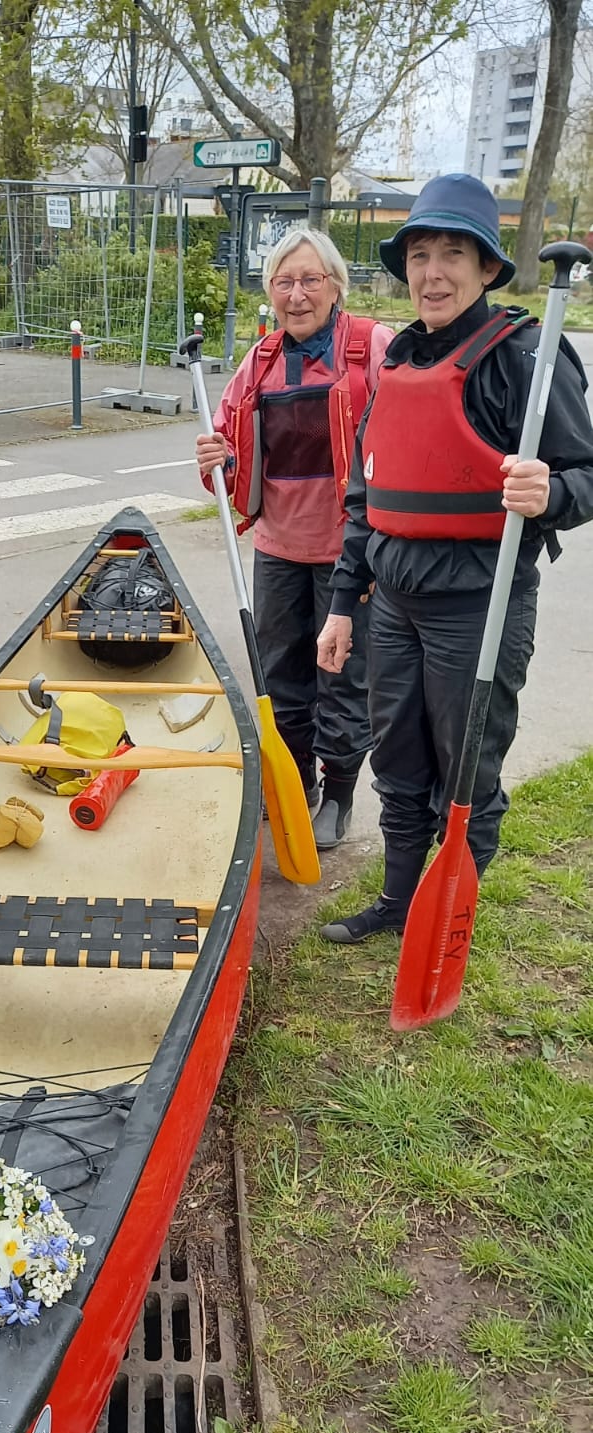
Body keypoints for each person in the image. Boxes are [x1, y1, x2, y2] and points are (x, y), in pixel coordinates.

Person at [317, 173, 593, 942]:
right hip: (394, 605)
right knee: (399, 763)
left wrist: (552, 491)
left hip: (480, 603)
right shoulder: (398, 360)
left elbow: (586, 474)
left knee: (464, 774)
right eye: (419, 255)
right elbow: (367, 500)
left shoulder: (526, 358)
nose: (432, 272)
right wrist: (343, 604)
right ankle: (401, 905)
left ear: (486, 268)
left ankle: (447, 919)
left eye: (452, 254)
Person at [195, 228, 393, 849]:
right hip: (277, 548)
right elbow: (227, 463)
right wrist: (215, 458)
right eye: (284, 282)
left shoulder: (373, 349)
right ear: (269, 291)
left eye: (310, 280)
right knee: (279, 677)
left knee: (344, 679)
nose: (297, 294)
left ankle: (337, 796)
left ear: (335, 285)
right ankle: (296, 784)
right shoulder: (258, 364)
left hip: (350, 554)